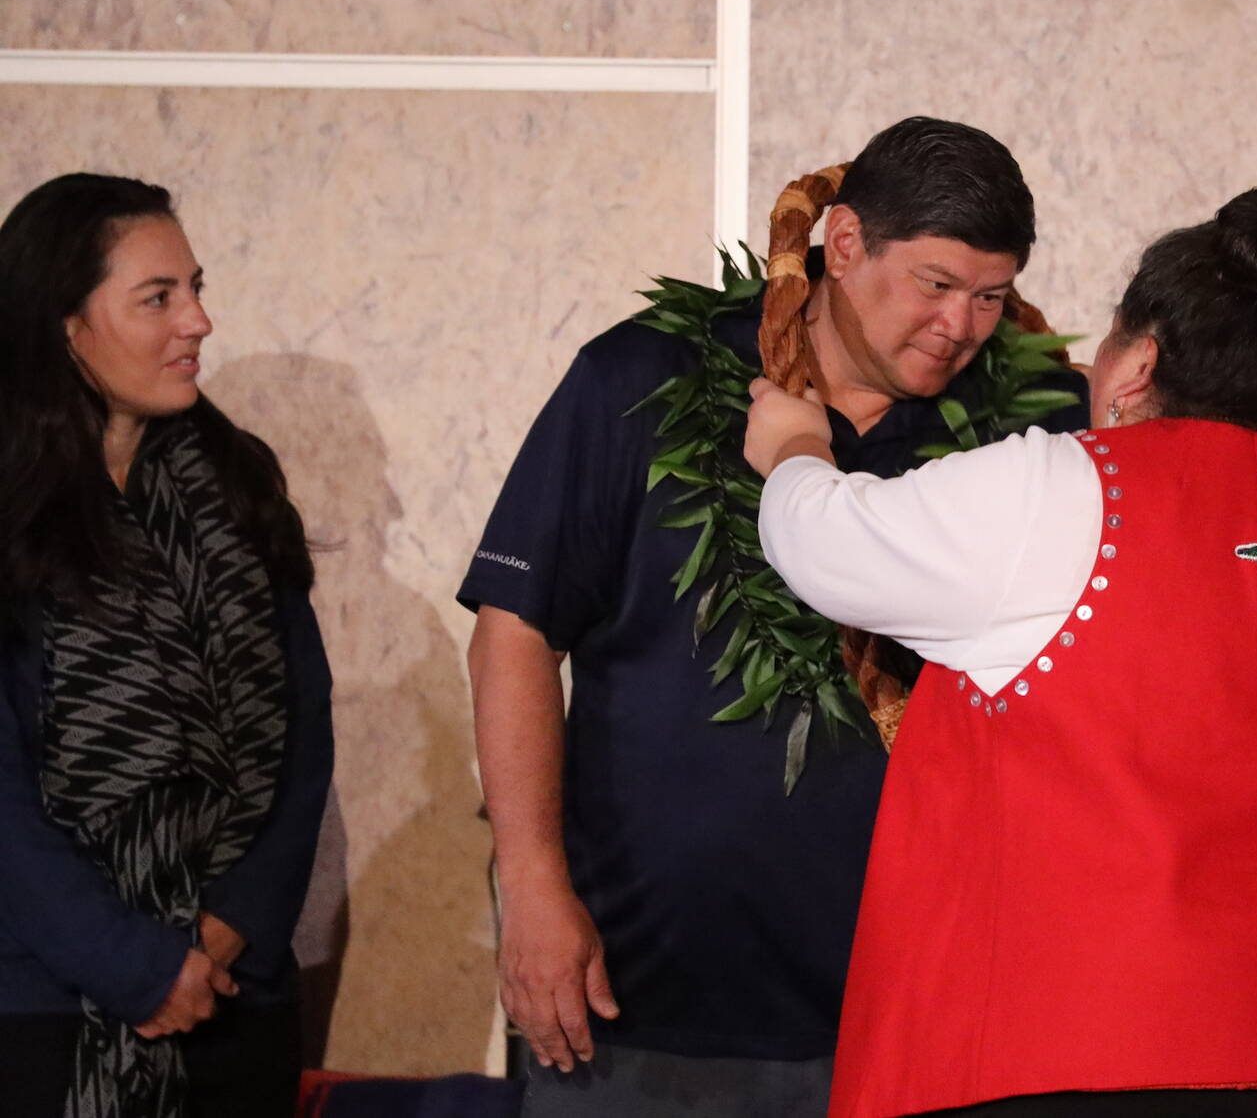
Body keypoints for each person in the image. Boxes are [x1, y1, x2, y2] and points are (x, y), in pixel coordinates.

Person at [745, 189, 1257, 1118]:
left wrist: (796, 450)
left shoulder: (1065, 485)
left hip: (1085, 1053)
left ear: (1138, 361)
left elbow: (830, 545)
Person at [460, 117, 1090, 1118]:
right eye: (933, 284)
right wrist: (532, 887)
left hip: (918, 1003)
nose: (960, 326)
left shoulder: (1038, 424)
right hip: (636, 991)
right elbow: (515, 630)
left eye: (988, 296)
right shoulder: (643, 377)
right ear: (841, 245)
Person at [0, 173, 334, 1118]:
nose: (199, 320)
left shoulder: (235, 484)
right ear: (65, 326)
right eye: (159, 297)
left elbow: (302, 736)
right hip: (43, 1011)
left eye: (195, 287)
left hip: (236, 996)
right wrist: (136, 963)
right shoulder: (10, 512)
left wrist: (230, 927)